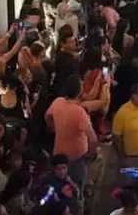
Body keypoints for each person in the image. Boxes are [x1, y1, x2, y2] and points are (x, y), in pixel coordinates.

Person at [45, 74, 97, 209]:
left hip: (58, 154)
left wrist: (56, 130)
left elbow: (47, 116)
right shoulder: (79, 112)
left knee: (59, 191)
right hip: (76, 159)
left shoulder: (57, 102)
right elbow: (93, 138)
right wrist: (90, 155)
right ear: (79, 91)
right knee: (76, 192)